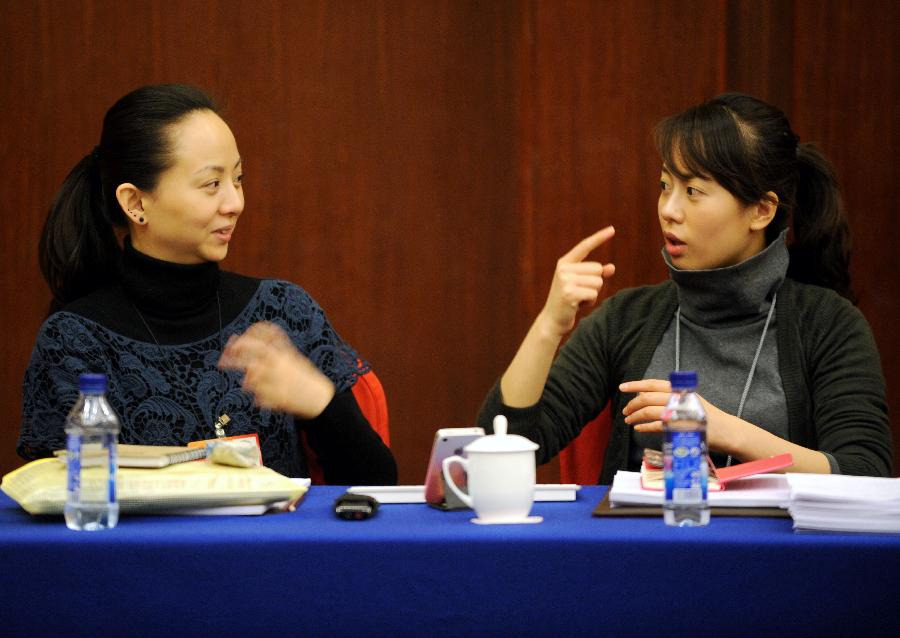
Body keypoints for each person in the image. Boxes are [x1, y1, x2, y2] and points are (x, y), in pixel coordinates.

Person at [477, 92, 893, 483]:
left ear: (761, 211)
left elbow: (864, 475)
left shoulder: (828, 324)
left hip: (777, 558)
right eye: (665, 186)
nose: (669, 210)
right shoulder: (628, 320)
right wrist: (550, 324)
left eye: (693, 191)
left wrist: (723, 430)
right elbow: (505, 448)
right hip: (646, 552)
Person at [18, 84, 397, 484]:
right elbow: (64, 506)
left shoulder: (283, 311)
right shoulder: (76, 341)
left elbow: (378, 487)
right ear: (135, 203)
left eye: (238, 179)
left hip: (274, 546)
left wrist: (321, 404)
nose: (235, 202)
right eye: (212, 184)